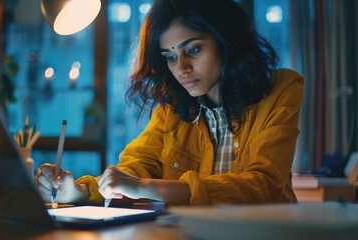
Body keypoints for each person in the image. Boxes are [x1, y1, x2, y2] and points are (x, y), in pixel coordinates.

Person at [35, 0, 304, 206]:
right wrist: (78, 191)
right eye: (170, 57)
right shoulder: (173, 109)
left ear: (226, 41)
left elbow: (262, 186)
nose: (182, 68)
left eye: (194, 49)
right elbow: (136, 166)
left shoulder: (281, 88)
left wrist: (143, 187)